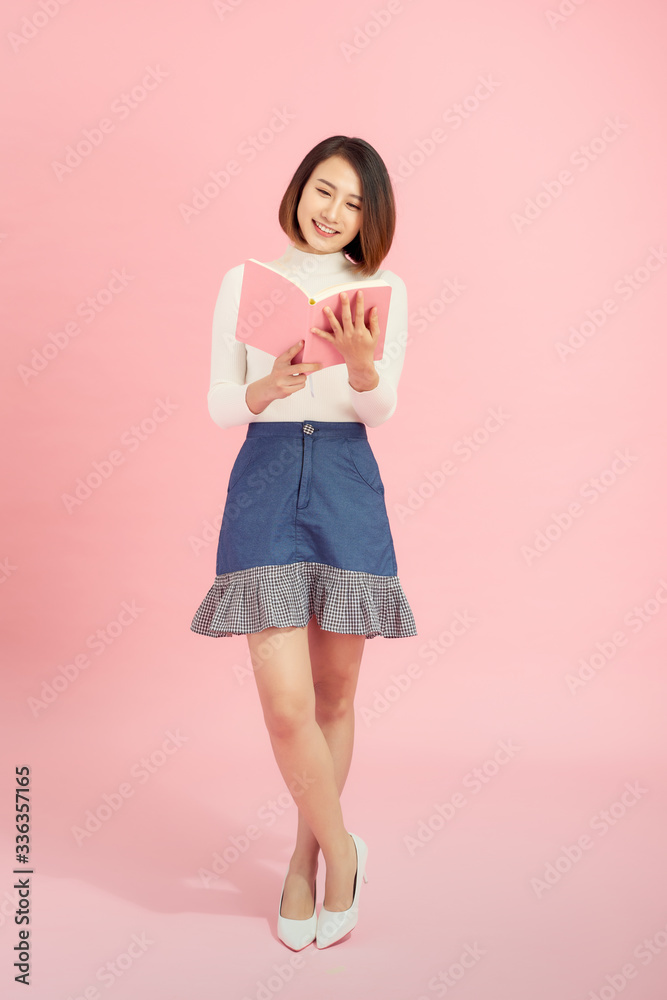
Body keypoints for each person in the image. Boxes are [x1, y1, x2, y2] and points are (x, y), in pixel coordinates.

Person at [190, 135, 417, 949]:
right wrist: (269, 384)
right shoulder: (244, 284)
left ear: (370, 217)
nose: (333, 213)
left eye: (354, 203)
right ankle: (345, 848)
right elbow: (220, 402)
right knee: (285, 706)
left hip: (346, 485)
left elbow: (383, 407)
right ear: (298, 190)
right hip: (264, 477)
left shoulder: (381, 288)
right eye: (325, 191)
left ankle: (303, 862)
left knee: (333, 698)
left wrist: (358, 368)